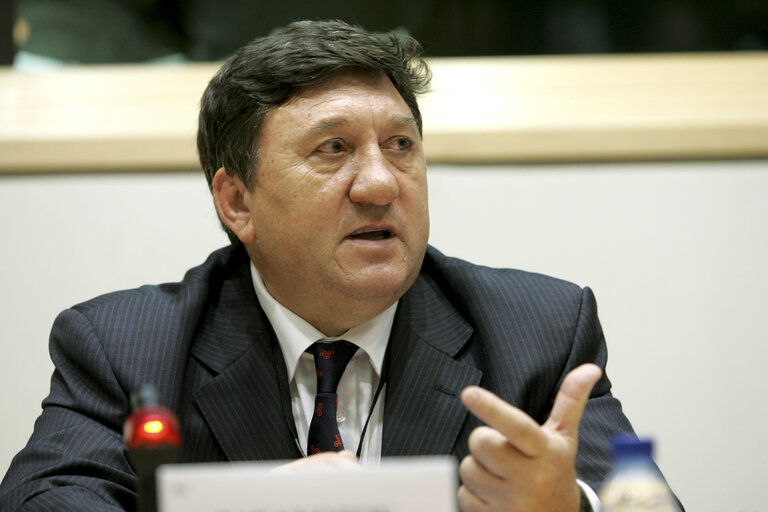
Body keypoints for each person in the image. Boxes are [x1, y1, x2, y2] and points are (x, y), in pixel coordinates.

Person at [0, 19, 643, 511]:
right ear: (237, 201)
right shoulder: (125, 347)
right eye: (333, 149)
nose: (380, 184)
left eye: (400, 146)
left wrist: (571, 507)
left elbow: (645, 500)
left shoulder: (539, 332)